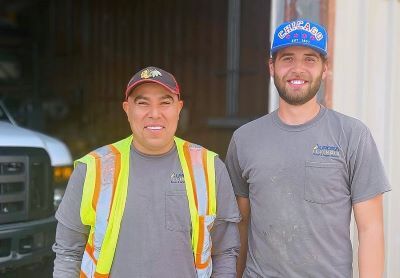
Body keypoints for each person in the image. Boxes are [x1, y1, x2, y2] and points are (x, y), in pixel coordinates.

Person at [225, 19, 391, 278]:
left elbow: (370, 229)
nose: (298, 69)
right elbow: (240, 225)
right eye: (287, 58)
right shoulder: (244, 139)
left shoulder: (352, 135)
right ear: (272, 67)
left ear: (325, 69)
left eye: (310, 59)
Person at [53, 66, 241, 278]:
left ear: (179, 108)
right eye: (143, 103)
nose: (154, 114)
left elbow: (225, 250)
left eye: (165, 102)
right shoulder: (92, 169)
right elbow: (68, 252)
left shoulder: (209, 167)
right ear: (127, 109)